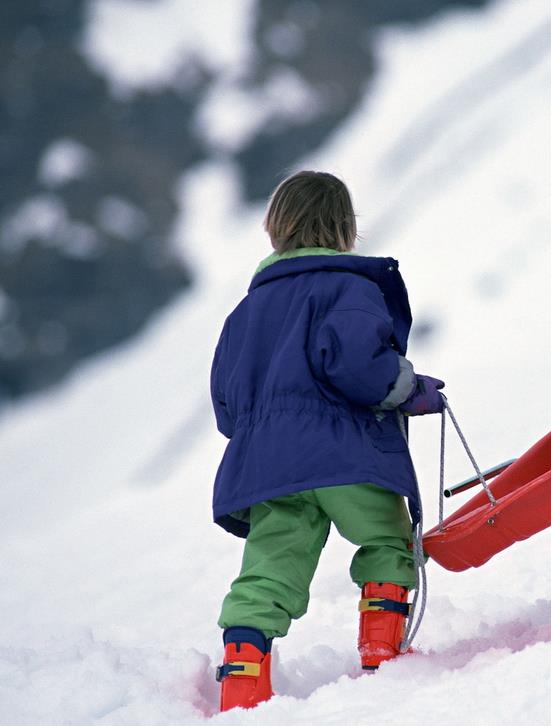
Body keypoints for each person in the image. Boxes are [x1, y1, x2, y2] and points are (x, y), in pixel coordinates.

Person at [209, 170, 444, 711]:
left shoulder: (244, 312)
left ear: (274, 229)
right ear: (345, 230)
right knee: (387, 541)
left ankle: (241, 684)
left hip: (271, 469)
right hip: (349, 457)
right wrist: (408, 389)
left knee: (269, 565)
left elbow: (227, 406)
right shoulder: (349, 289)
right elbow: (361, 368)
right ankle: (381, 654)